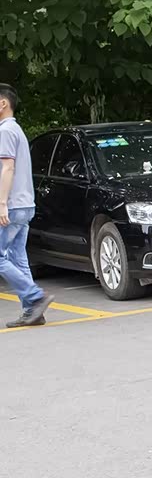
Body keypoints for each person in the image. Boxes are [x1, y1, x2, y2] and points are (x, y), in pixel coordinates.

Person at [0, 84, 53, 328]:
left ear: (3, 104)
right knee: (18, 257)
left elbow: (7, 168)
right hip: (24, 204)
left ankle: (35, 296)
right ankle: (33, 312)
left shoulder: (5, 131)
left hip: (11, 206)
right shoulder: (16, 129)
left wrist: (2, 204)